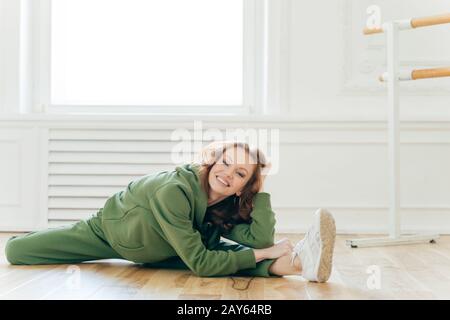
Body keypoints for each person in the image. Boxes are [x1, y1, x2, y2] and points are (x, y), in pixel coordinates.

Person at [5, 141, 336, 282]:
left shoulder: (225, 203)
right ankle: (291, 260)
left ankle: (298, 264)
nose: (228, 175)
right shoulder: (173, 191)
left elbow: (256, 239)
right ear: (213, 160)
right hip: (112, 235)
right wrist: (263, 251)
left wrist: (258, 194)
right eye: (226, 164)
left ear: (242, 186)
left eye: (240, 175)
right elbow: (206, 265)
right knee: (16, 250)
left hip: (165, 249)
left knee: (231, 255)